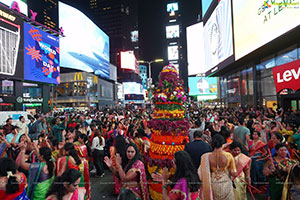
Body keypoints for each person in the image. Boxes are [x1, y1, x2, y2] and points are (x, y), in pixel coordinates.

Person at [200, 134, 237, 200]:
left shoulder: (206, 157)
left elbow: (203, 172)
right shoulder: (228, 156)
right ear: (223, 143)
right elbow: (233, 173)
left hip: (213, 183)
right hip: (225, 182)